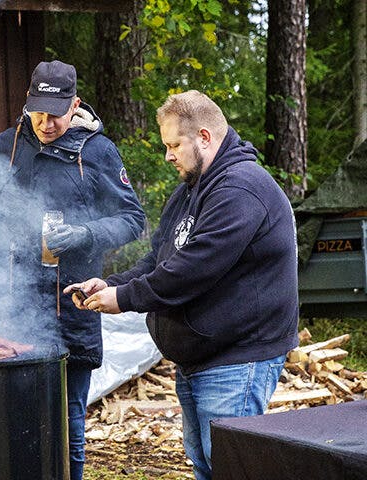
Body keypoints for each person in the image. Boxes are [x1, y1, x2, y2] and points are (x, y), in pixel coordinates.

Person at [65, 90, 299, 480]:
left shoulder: (240, 189)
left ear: (204, 137)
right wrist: (108, 282)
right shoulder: (190, 190)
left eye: (174, 145)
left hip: (237, 359)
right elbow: (159, 260)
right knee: (206, 465)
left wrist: (123, 298)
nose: (168, 155)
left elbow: (193, 269)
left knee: (231, 469)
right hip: (198, 358)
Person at [0, 60, 145, 480]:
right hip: (14, 309)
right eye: (38, 111)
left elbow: (133, 219)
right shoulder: (7, 145)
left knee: (69, 422)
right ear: (28, 103)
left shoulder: (97, 151)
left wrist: (85, 233)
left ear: (74, 104)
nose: (45, 123)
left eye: (55, 114)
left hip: (72, 306)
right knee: (15, 420)